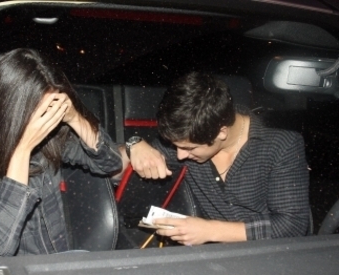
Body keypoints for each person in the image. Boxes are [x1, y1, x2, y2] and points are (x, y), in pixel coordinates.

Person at [0, 48, 122, 256]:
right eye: (41, 110)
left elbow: (110, 164)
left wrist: (75, 118)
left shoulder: (50, 137)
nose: (48, 118)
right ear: (10, 108)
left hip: (50, 261)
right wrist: (23, 148)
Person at [121, 72, 310, 246]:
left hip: (269, 256)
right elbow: (121, 162)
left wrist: (209, 230)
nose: (179, 155)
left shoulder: (282, 146)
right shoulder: (189, 136)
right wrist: (134, 144)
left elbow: (292, 225)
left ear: (222, 133)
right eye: (176, 147)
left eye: (189, 148)